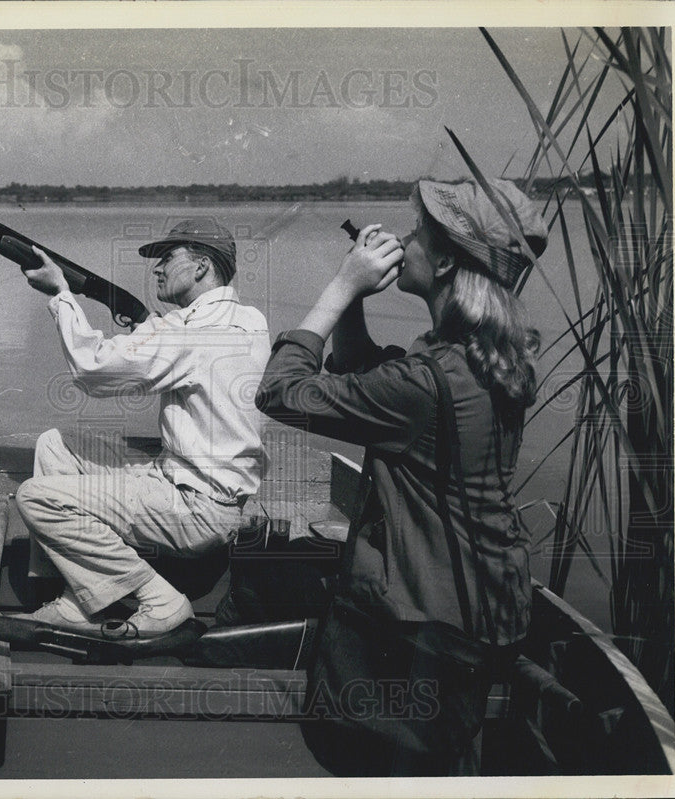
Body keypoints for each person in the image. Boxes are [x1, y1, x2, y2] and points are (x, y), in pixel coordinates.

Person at [254, 178, 546, 775]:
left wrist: (339, 289)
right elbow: (369, 378)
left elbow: (280, 392)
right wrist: (359, 300)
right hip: (475, 612)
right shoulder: (491, 358)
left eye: (416, 233)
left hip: (419, 627)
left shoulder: (423, 382)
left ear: (442, 260)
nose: (404, 240)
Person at [14, 218, 270, 636]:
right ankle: (78, 599)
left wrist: (62, 295)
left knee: (37, 498)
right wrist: (146, 325)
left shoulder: (192, 332)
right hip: (210, 493)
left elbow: (92, 369)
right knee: (55, 444)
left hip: (196, 509)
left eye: (168, 257)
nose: (157, 268)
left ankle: (160, 601)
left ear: (202, 266)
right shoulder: (249, 319)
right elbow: (178, 346)